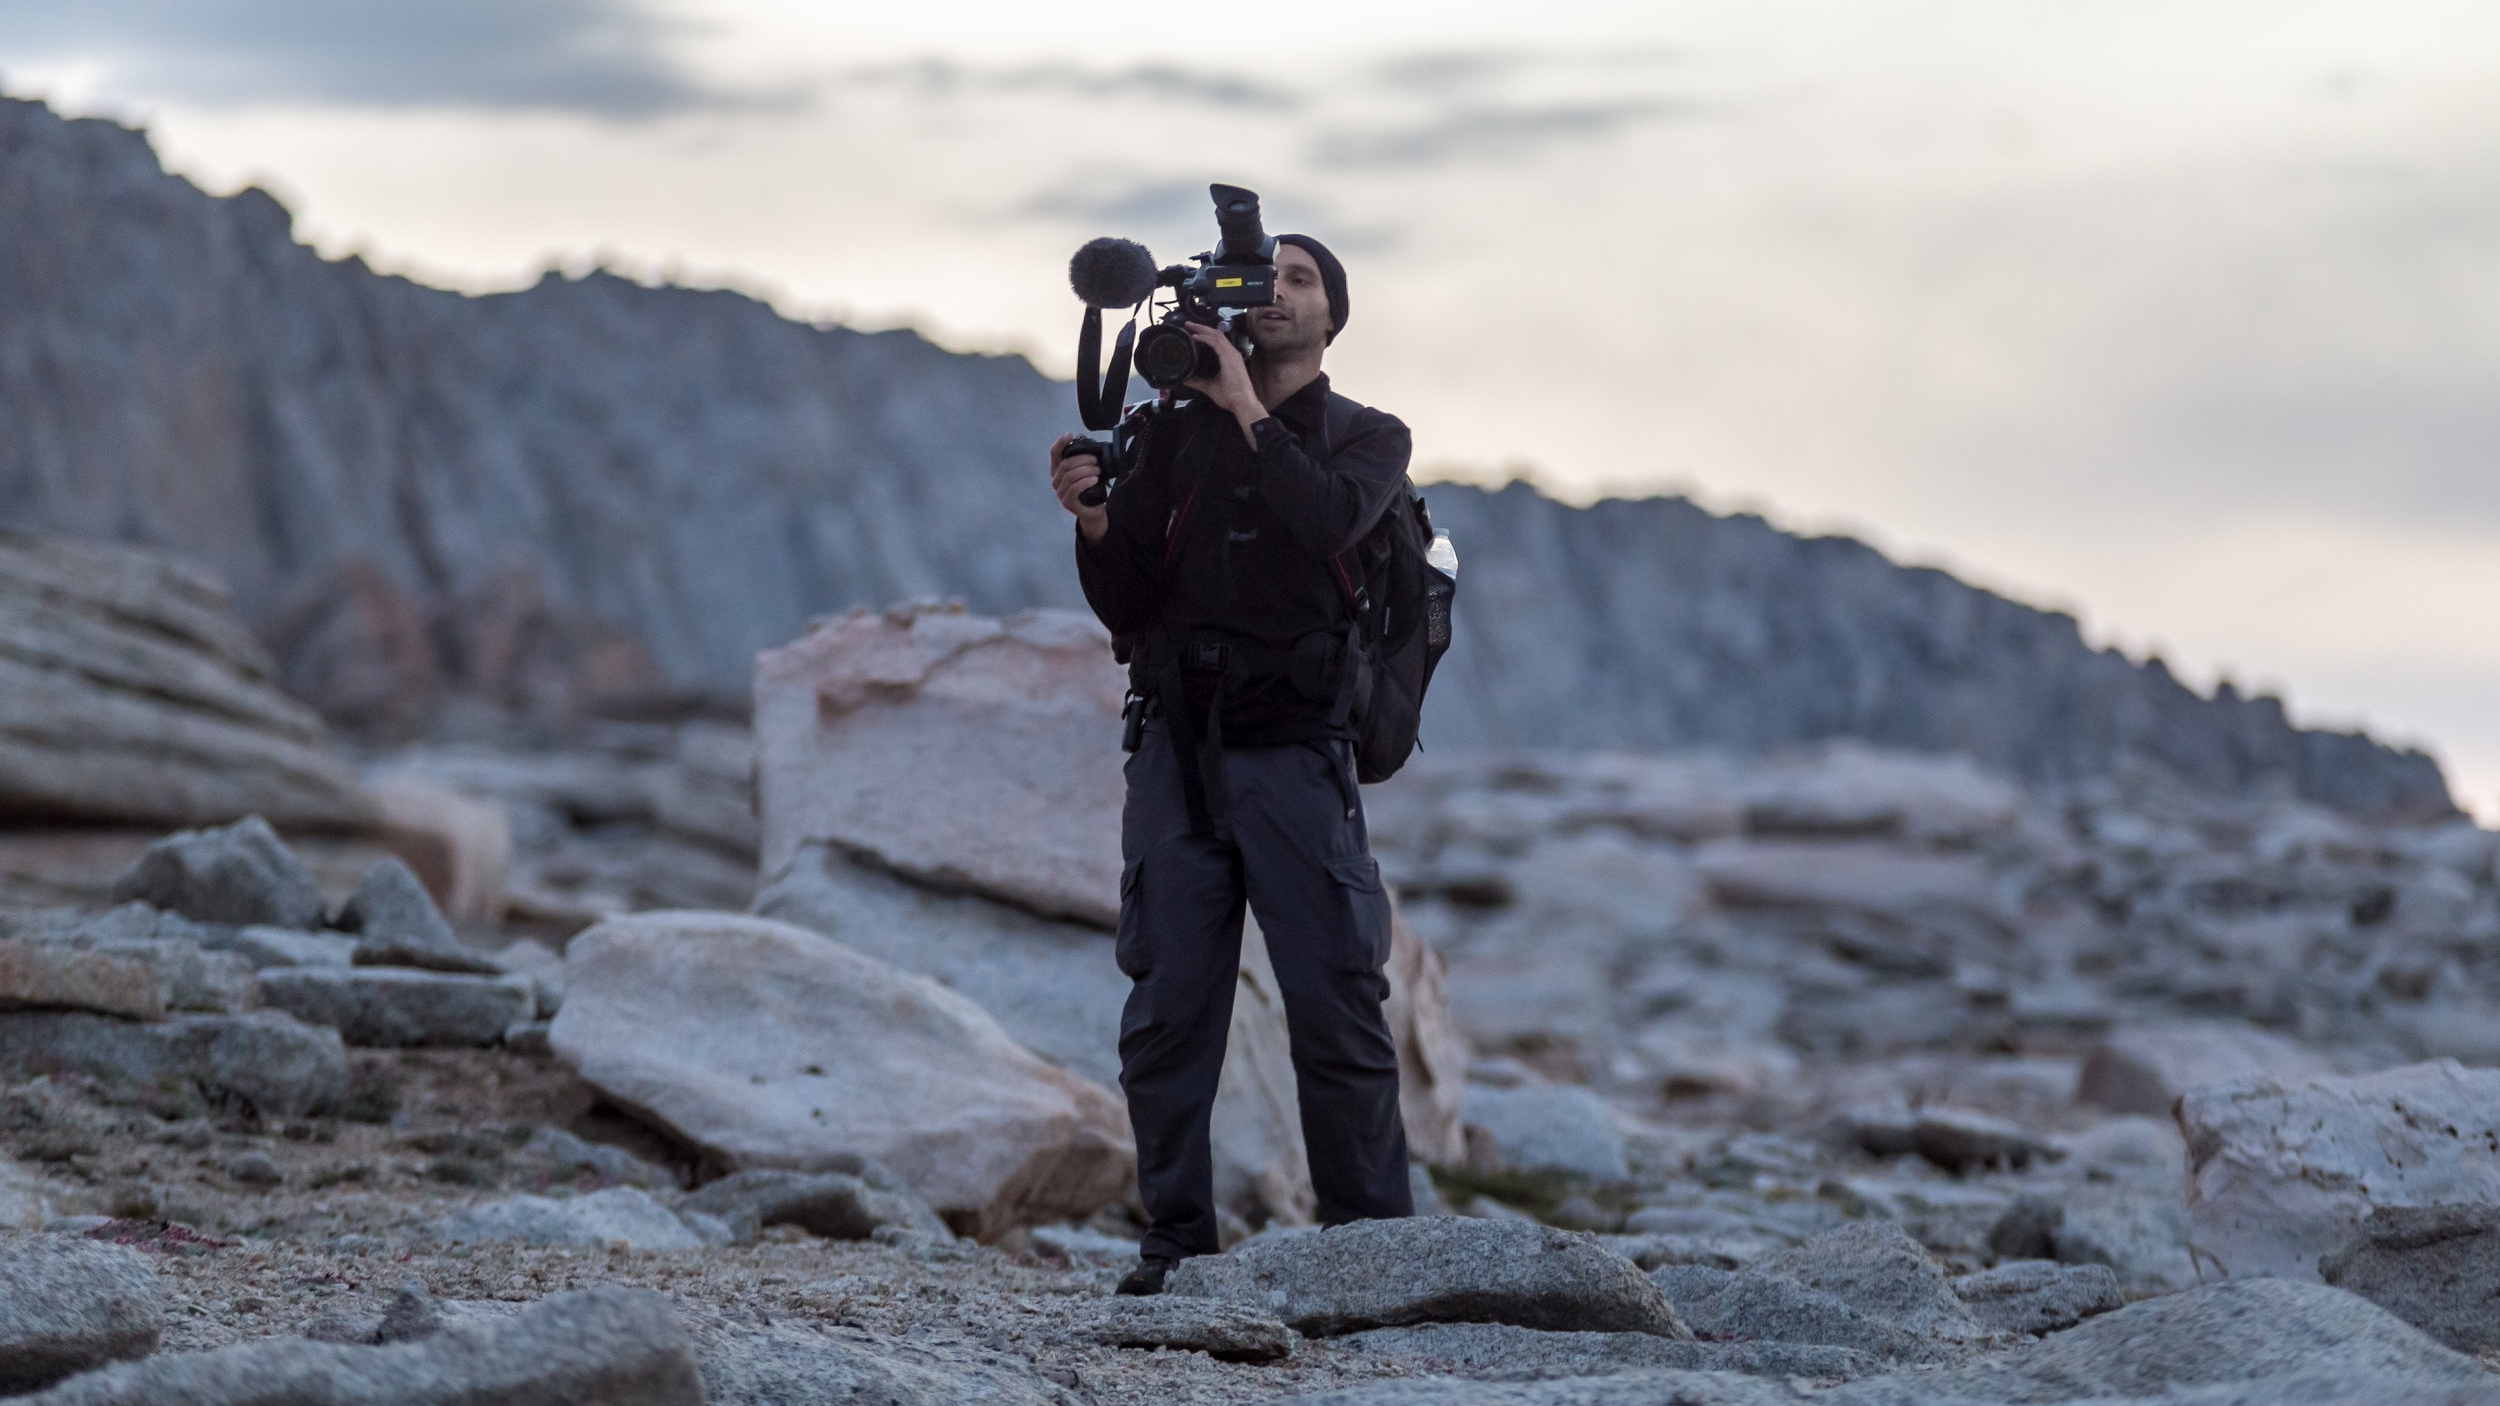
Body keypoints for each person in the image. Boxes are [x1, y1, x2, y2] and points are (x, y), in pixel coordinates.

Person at [1047, 233, 1415, 1295]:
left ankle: (1371, 1256)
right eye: (1266, 280)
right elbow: (1128, 602)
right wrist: (1094, 516)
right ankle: (1174, 1245)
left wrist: (1248, 407)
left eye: (1300, 280)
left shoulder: (1366, 437)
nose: (1278, 293)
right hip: (1176, 750)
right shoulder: (1168, 435)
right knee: (1167, 1008)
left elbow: (1328, 520)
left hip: (1297, 754)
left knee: (1337, 1001)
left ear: (1331, 317)